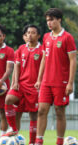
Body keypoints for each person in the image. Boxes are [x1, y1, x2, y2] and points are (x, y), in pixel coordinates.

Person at [35, 8, 76, 145]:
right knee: (41, 110)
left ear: (59, 19)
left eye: (52, 19)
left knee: (59, 112)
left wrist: (70, 83)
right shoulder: (46, 37)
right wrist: (39, 79)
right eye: (47, 20)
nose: (49, 23)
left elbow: (73, 60)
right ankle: (39, 141)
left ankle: (59, 142)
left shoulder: (67, 38)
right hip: (46, 81)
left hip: (61, 81)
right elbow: (44, 59)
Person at [3, 25, 42, 144]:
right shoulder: (21, 49)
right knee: (8, 99)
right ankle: (14, 130)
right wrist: (14, 82)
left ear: (38, 36)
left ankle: (31, 142)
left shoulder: (42, 50)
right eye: (28, 32)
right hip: (20, 85)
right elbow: (17, 66)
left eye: (33, 33)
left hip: (34, 88)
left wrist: (40, 82)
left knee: (33, 116)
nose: (30, 35)